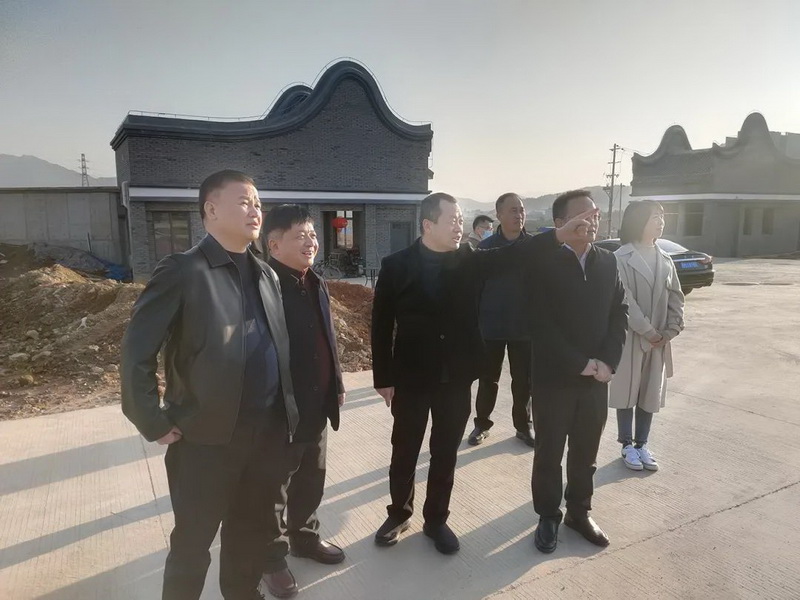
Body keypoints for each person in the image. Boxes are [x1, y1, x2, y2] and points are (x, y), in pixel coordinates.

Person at [371, 192, 594, 555]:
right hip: (412, 376)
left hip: (456, 377)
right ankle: (399, 514)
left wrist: (557, 235)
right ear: (428, 225)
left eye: (461, 220)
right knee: (405, 450)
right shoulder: (396, 266)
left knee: (445, 453)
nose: (459, 227)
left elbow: (515, 254)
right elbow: (381, 325)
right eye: (452, 220)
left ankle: (436, 520)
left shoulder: (469, 260)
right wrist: (383, 378)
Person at [121, 170, 298, 600]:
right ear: (211, 210)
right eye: (244, 201)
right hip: (205, 438)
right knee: (193, 542)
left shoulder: (267, 275)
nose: (255, 210)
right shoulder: (183, 270)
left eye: (258, 203)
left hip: (265, 433)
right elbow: (136, 351)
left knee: (248, 532)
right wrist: (151, 419)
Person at [529, 189, 628, 554]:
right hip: (554, 378)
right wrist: (579, 363)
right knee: (549, 452)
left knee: (586, 452)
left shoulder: (608, 261)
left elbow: (619, 312)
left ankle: (579, 512)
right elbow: (539, 324)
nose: (593, 221)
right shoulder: (543, 264)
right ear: (561, 223)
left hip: (596, 379)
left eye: (595, 214)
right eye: (584, 215)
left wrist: (608, 362)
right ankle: (548, 515)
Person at [261, 204, 347, 598]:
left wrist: (337, 384)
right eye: (300, 235)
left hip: (317, 403)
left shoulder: (316, 282)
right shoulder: (263, 287)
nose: (310, 241)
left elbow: (328, 338)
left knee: (312, 476)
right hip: (280, 409)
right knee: (274, 487)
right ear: (274, 244)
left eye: (312, 234)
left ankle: (305, 538)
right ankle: (271, 558)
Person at [610, 201, 685, 472]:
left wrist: (672, 329)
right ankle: (626, 445)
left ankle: (642, 444)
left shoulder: (665, 259)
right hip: (632, 337)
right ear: (638, 220)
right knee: (628, 391)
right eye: (655, 217)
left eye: (662, 216)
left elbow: (676, 296)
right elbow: (624, 300)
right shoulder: (620, 257)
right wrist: (648, 331)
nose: (661, 222)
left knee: (649, 393)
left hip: (659, 341)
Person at [469, 192, 535, 448]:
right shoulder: (485, 249)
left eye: (522, 210)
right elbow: (475, 290)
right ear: (499, 215)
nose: (519, 215)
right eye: (513, 210)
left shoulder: (534, 247)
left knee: (523, 382)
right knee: (488, 379)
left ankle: (524, 426)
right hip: (491, 327)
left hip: (524, 327)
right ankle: (481, 424)